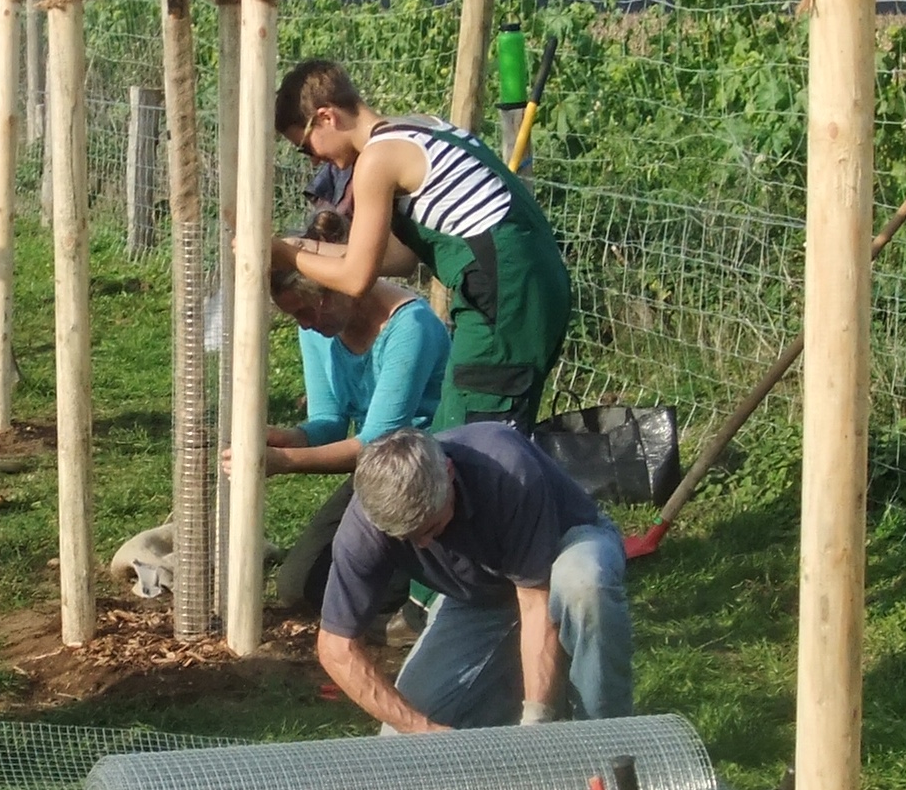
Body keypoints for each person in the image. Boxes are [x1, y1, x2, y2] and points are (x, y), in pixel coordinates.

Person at [274, 59, 574, 432]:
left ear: (326, 117)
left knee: (475, 438)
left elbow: (355, 279)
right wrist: (301, 248)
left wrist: (283, 255)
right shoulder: (418, 127)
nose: (315, 160)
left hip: (503, 297)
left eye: (306, 147)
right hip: (532, 287)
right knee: (481, 427)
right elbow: (399, 259)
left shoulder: (377, 160)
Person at [317, 425, 631, 733]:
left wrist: (536, 725)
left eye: (430, 527)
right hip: (480, 597)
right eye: (408, 538)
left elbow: (535, 601)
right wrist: (421, 729)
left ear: (449, 473)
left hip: (563, 551)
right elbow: (336, 647)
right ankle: (521, 700)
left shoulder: (507, 468)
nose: (423, 545)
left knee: (584, 583)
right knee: (400, 740)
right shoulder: (364, 528)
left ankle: (605, 736)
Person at [234, 262, 447, 615]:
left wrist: (280, 463)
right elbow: (328, 422)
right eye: (294, 316)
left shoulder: (411, 327)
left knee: (355, 590)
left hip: (422, 471)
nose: (304, 324)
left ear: (340, 288)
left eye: (306, 311)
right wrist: (285, 439)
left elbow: (376, 441)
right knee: (300, 586)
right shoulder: (319, 330)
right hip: (375, 472)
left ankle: (428, 588)